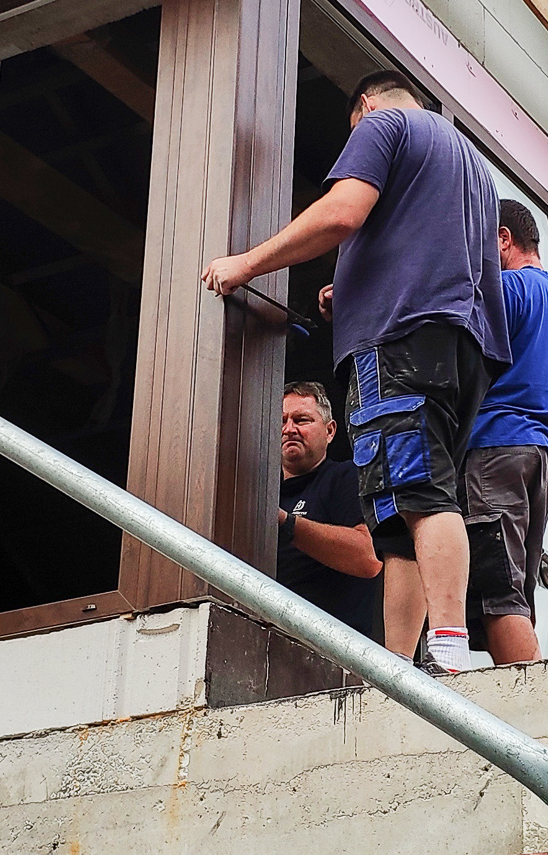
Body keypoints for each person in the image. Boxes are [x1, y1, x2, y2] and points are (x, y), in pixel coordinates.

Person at [203, 70, 508, 673]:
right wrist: (351, 290)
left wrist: (247, 264)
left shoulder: (384, 123)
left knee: (421, 495)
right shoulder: (470, 163)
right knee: (397, 521)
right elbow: (425, 248)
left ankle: (450, 649)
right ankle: (400, 668)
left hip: (399, 342)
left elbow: (342, 214)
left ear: (365, 106)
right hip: (460, 346)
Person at [463, 199, 548, 665]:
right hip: (546, 460)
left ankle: (535, 705)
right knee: (516, 591)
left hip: (498, 449)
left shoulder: (508, 288)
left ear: (503, 239)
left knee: (498, 592)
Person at [274, 381, 382, 641]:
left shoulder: (346, 477)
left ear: (330, 431)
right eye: (282, 421)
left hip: (333, 646)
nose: (289, 429)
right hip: (266, 637)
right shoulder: (261, 490)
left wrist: (286, 523)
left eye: (302, 420)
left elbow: (368, 558)